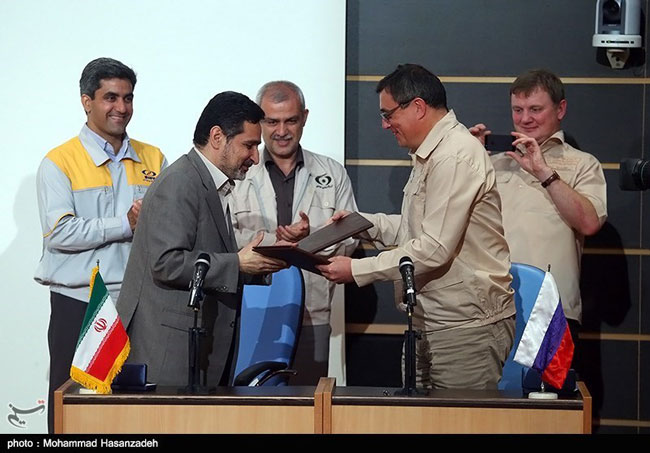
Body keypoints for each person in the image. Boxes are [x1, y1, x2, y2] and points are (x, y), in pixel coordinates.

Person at [317, 64, 515, 389]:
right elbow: (416, 231)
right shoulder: (432, 154)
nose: (384, 125)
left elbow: (434, 248)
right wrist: (363, 224)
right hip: (431, 321)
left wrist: (357, 270)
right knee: (420, 415)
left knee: (456, 418)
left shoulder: (453, 156)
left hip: (464, 326)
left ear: (418, 106)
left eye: (388, 114)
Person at [116, 91, 286, 388]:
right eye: (249, 145)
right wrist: (237, 263)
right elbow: (166, 263)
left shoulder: (209, 182)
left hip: (198, 348)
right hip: (170, 352)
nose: (256, 157)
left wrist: (260, 263)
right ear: (217, 137)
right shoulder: (179, 182)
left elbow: (208, 255)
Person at [34, 57, 167, 432]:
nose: (121, 107)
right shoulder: (59, 162)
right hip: (79, 303)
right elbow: (60, 232)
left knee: (132, 410)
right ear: (86, 101)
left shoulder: (154, 158)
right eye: (111, 97)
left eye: (128, 98)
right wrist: (125, 224)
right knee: (71, 407)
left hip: (136, 303)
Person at [469, 69, 607, 357]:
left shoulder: (582, 164)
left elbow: (589, 223)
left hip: (551, 309)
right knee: (486, 387)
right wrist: (467, 158)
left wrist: (544, 172)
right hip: (490, 308)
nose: (525, 119)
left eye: (535, 109)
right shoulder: (493, 164)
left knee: (547, 387)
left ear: (560, 109)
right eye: (517, 110)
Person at [229, 81, 358, 384]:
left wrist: (309, 241)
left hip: (313, 314)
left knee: (308, 402)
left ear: (305, 118)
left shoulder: (332, 172)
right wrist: (279, 243)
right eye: (272, 121)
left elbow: (350, 239)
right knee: (250, 402)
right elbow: (225, 239)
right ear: (259, 121)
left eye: (291, 120)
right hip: (250, 310)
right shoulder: (237, 172)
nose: (282, 131)